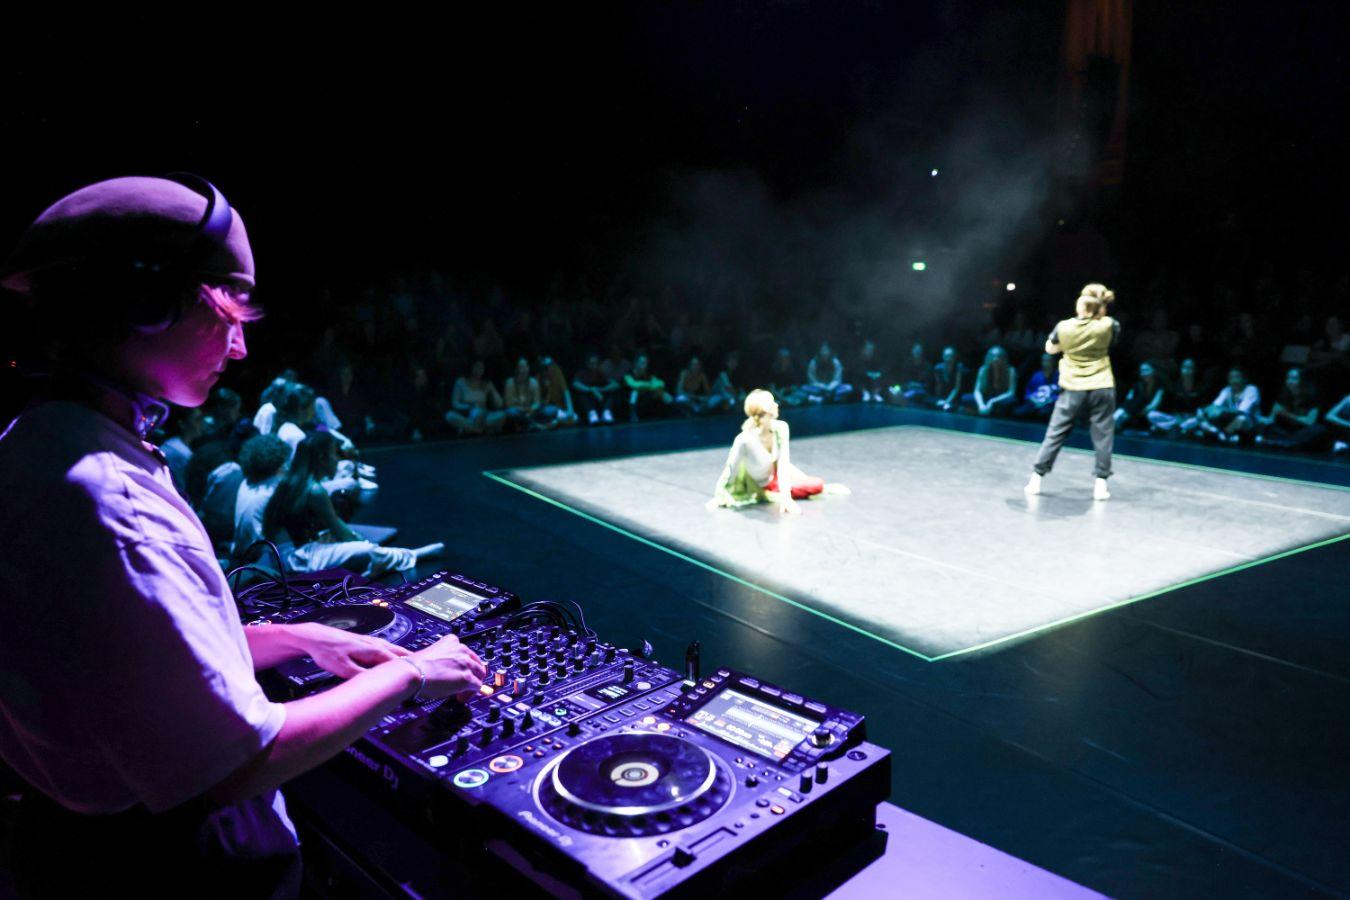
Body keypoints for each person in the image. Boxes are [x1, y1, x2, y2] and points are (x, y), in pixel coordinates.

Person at [0, 175, 485, 897]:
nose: (238, 346)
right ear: (146, 304)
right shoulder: (105, 500)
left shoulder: (37, 441)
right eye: (226, 310)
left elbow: (124, 667)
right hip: (172, 865)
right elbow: (236, 762)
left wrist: (291, 639)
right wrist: (408, 673)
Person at [1026, 283, 1121, 500]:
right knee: (1103, 434)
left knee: (1055, 432)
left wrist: (1068, 347)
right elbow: (1112, 342)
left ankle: (1036, 479)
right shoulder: (1108, 325)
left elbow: (1050, 348)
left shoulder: (1064, 327)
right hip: (1101, 385)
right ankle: (1100, 485)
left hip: (1072, 387)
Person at [708, 389, 845, 514]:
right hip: (764, 484)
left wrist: (787, 499)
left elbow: (783, 464)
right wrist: (719, 496)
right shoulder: (745, 440)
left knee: (810, 482)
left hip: (776, 473)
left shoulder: (781, 428)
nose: (776, 405)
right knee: (816, 484)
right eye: (772, 402)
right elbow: (731, 468)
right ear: (763, 409)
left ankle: (812, 487)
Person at [1184, 366, 1260, 444]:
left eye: (1237, 377)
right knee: (1203, 414)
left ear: (1244, 378)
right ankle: (1215, 432)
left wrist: (1221, 410)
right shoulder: (1227, 390)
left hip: (1250, 426)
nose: (1234, 380)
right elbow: (1214, 406)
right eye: (1231, 378)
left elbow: (1241, 411)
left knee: (1241, 418)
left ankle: (1222, 434)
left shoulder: (1251, 389)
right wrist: (1205, 412)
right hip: (1231, 424)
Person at [1255, 368, 1324, 450]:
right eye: (1288, 378)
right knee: (1269, 428)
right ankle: (1288, 443)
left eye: (1294, 378)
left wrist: (1288, 415)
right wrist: (1259, 419)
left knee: (1319, 429)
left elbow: (1309, 422)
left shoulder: (1312, 399)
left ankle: (1284, 443)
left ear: (1303, 381)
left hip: (1302, 431)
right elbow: (1271, 419)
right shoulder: (1282, 397)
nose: (1290, 381)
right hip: (1285, 431)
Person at [444, 358, 507, 435]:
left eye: (481, 367)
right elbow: (455, 403)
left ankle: (468, 429)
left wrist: (492, 388)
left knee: (502, 415)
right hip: (466, 415)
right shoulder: (461, 382)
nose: (479, 369)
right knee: (450, 415)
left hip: (483, 416)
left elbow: (499, 404)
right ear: (471, 367)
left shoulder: (486, 384)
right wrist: (469, 407)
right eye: (477, 366)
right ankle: (479, 430)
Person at [963, 346, 1017, 417]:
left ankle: (990, 412)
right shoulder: (983, 370)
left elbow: (1011, 392)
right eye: (992, 356)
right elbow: (977, 390)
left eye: (999, 356)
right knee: (966, 398)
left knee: (1011, 402)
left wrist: (992, 401)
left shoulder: (1010, 370)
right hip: (987, 396)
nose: (995, 359)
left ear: (1003, 358)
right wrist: (981, 404)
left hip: (1000, 398)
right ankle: (984, 410)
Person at [1114, 362, 1166, 431]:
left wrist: (1140, 412)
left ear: (1154, 371)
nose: (1144, 373)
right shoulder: (1137, 386)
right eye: (1142, 371)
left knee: (1152, 415)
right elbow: (1129, 400)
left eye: (1146, 370)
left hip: (1149, 413)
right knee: (1120, 413)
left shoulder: (1160, 387)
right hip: (1134, 412)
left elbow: (1154, 405)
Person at [572, 353, 618, 425]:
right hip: (589, 401)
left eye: (596, 364)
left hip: (600, 399)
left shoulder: (602, 373)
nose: (594, 366)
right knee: (580, 395)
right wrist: (591, 390)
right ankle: (592, 414)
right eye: (592, 364)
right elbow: (575, 384)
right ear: (587, 364)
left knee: (611, 393)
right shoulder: (582, 373)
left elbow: (615, 384)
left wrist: (600, 390)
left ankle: (606, 412)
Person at [624, 353, 672, 422]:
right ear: (636, 363)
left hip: (645, 401)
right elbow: (634, 385)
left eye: (645, 363)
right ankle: (632, 414)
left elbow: (661, 383)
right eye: (642, 363)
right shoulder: (628, 375)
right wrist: (649, 385)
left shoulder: (648, 375)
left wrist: (647, 386)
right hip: (630, 404)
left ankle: (670, 413)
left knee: (662, 392)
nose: (644, 365)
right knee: (635, 392)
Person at [1014, 352, 1060, 420]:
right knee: (1018, 412)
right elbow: (1029, 391)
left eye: (1048, 360)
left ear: (1054, 362)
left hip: (1050, 404)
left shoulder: (1059, 376)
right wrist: (1034, 399)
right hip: (1035, 402)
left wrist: (1047, 401)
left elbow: (1060, 394)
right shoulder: (1037, 375)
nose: (1046, 363)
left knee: (1043, 413)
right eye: (1044, 360)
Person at [931, 346, 966, 412]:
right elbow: (938, 385)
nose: (949, 358)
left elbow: (956, 388)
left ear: (954, 357)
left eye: (951, 356)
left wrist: (947, 401)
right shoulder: (938, 368)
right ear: (943, 356)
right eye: (946, 356)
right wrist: (939, 399)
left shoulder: (958, 368)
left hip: (956, 396)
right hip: (944, 394)